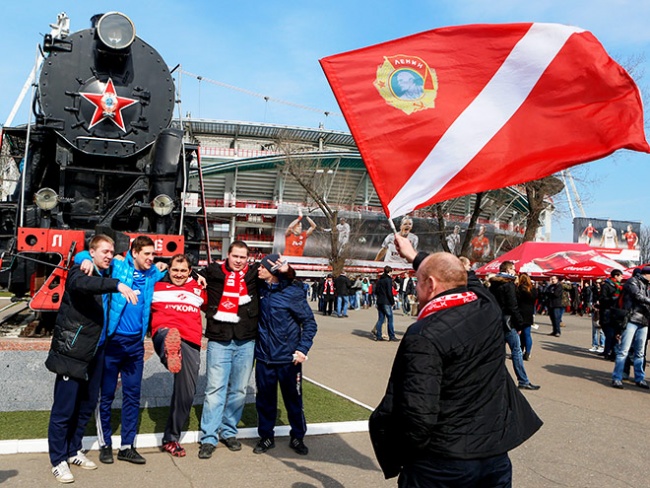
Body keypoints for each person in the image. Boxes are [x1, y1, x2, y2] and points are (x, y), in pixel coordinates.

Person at [369, 234, 542, 486]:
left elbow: (418, 415)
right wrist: (415, 256)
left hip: (443, 462)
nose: (416, 291)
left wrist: (409, 460)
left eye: (417, 283)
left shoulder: (424, 335)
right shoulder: (487, 307)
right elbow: (465, 277)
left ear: (430, 284)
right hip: (494, 453)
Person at [46, 235, 136, 483]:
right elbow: (84, 285)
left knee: (85, 407)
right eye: (104, 251)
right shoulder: (79, 272)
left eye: (111, 251)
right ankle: (57, 460)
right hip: (73, 352)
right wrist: (115, 284)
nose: (109, 255)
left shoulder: (106, 268)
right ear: (92, 253)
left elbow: (135, 261)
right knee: (64, 410)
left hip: (97, 352)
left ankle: (73, 450)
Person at [197, 241, 291, 459]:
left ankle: (229, 432)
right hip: (219, 340)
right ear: (227, 255)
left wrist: (286, 269)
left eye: (242, 257)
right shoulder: (212, 271)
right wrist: (193, 275)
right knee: (214, 390)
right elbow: (186, 273)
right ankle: (209, 437)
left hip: (246, 341)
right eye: (235, 256)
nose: (238, 261)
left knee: (239, 390)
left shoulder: (253, 274)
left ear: (248, 258)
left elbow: (281, 275)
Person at [77, 236, 165, 465]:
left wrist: (193, 275)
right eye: (146, 254)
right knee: (105, 396)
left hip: (136, 346)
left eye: (153, 254)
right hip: (113, 343)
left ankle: (127, 446)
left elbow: (177, 272)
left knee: (132, 396)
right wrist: (86, 260)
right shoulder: (117, 266)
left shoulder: (152, 273)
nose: (151, 258)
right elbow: (85, 255)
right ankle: (105, 444)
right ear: (134, 253)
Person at [253, 254, 318, 456]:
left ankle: (297, 437)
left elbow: (309, 324)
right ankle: (266, 437)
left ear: (272, 270)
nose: (258, 270)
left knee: (293, 400)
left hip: (289, 360)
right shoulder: (260, 289)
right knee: (264, 400)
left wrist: (302, 350)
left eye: (263, 267)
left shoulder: (292, 293)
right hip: (264, 358)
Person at [151, 254, 207, 457]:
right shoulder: (156, 285)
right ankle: (169, 352)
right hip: (164, 333)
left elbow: (213, 304)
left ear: (190, 271)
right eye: (175, 270)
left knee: (187, 393)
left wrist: (200, 277)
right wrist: (154, 270)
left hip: (191, 341)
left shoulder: (198, 288)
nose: (179, 274)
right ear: (168, 269)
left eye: (183, 271)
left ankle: (171, 439)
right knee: (168, 336)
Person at [489, 262, 540, 390]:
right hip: (508, 322)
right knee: (516, 351)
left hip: (496, 320)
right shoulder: (508, 284)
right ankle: (523, 380)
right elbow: (513, 306)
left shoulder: (493, 284)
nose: (514, 271)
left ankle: (494, 381)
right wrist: (519, 324)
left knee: (498, 352)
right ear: (507, 270)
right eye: (512, 269)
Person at [611, 267, 650, 389]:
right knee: (624, 350)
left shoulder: (647, 285)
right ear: (646, 274)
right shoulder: (632, 282)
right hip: (632, 318)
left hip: (644, 320)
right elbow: (638, 296)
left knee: (640, 352)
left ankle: (640, 378)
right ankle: (617, 377)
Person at [599, 269, 624, 360]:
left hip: (615, 313)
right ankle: (610, 352)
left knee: (614, 334)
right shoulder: (606, 285)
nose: (622, 278)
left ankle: (610, 352)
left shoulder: (619, 287)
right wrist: (612, 298)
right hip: (607, 312)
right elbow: (602, 299)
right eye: (621, 276)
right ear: (616, 276)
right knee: (610, 334)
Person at [373, 266, 398, 342]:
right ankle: (391, 336)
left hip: (379, 301)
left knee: (381, 319)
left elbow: (376, 291)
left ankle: (378, 335)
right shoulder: (388, 280)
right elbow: (389, 292)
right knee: (390, 319)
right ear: (390, 272)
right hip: (386, 301)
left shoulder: (380, 280)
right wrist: (392, 301)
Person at [516, 273, 537, 361]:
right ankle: (528, 352)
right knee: (527, 334)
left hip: (520, 312)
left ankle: (520, 350)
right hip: (529, 312)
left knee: (520, 334)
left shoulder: (519, 289)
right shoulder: (533, 289)